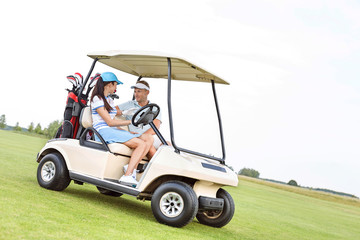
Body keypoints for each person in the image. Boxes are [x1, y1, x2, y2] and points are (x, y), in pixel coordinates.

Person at [90, 72, 154, 187]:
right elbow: (109, 122)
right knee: (141, 144)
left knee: (146, 140)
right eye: (115, 85)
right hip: (102, 132)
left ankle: (130, 169)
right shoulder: (97, 99)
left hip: (110, 130)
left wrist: (127, 131)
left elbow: (113, 123)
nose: (116, 87)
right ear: (109, 84)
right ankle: (128, 175)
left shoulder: (109, 100)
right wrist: (131, 121)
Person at [117, 80, 162, 158]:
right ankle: (159, 169)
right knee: (150, 148)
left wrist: (145, 136)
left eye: (139, 91)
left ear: (147, 92)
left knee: (167, 146)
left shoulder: (154, 108)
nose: (136, 94)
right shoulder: (130, 104)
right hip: (137, 136)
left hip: (150, 135)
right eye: (135, 92)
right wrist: (123, 112)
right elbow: (111, 110)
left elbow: (156, 127)